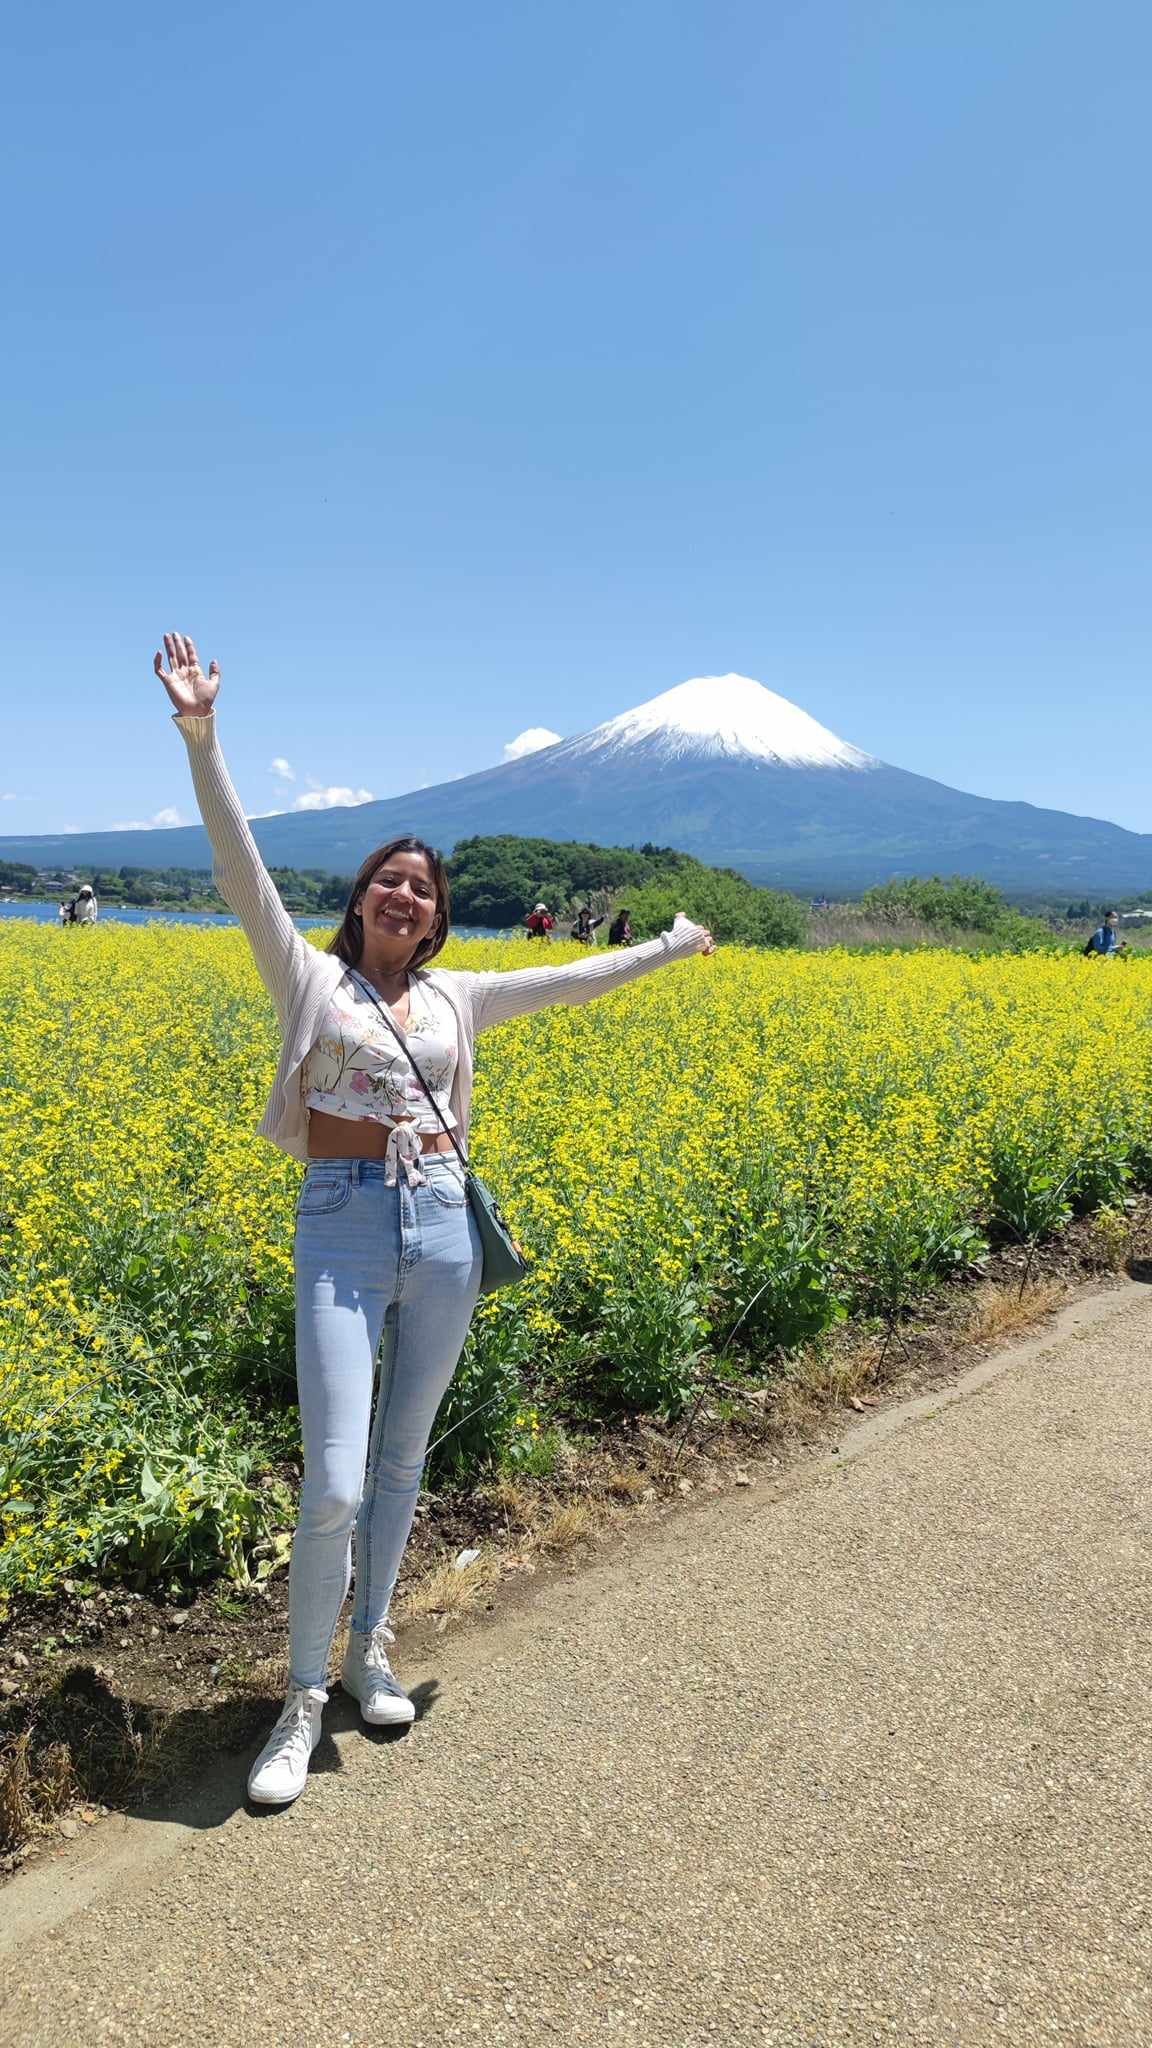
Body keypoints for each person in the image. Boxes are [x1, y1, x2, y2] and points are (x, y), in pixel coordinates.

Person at [154, 631, 715, 1808]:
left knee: (404, 1461)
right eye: (384, 879)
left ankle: (370, 1653)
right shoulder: (310, 979)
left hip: (445, 1230)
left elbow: (572, 983)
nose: (401, 892)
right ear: (357, 900)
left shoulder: (459, 994)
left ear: (438, 915)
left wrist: (668, 946)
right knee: (335, 1480)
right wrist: (203, 736)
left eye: (423, 884)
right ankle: (301, 1697)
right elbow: (235, 866)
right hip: (342, 1226)